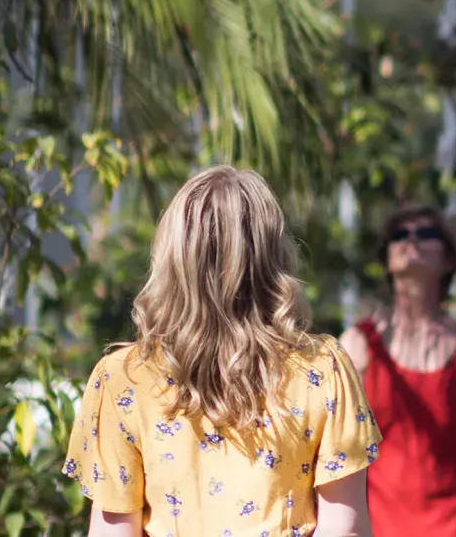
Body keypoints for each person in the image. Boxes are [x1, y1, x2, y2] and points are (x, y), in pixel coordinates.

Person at [65, 165, 378, 537]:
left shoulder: (122, 378)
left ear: (172, 256)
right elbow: (346, 528)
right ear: (272, 255)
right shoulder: (324, 368)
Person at [339, 203, 456, 536]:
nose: (411, 241)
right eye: (399, 235)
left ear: (449, 260)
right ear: (387, 261)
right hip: (379, 524)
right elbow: (340, 450)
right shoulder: (356, 344)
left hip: (454, 523)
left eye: (426, 233)